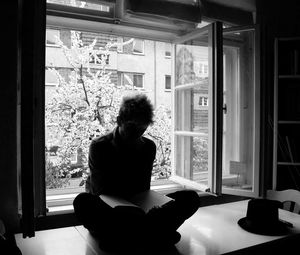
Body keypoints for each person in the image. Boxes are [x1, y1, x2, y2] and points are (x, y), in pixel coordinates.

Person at [73, 94, 200, 251]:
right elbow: (102, 192)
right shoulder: (100, 146)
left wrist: (151, 209)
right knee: (82, 202)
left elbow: (143, 189)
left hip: (138, 211)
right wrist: (137, 213)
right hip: (111, 210)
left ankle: (124, 239)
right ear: (119, 121)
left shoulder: (148, 147)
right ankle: (151, 234)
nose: (138, 134)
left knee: (190, 198)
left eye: (143, 128)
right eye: (132, 128)